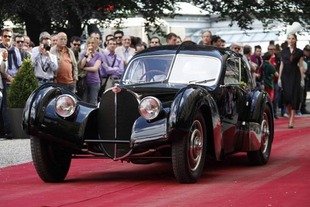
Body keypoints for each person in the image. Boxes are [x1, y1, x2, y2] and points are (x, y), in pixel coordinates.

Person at [278, 33, 304, 128]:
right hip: (285, 75)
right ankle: (290, 116)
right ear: (287, 40)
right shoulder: (283, 51)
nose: (291, 40)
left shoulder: (299, 52)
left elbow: (301, 65)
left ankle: (292, 119)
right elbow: (281, 65)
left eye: (293, 38)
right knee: (287, 97)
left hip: (295, 75)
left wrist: (302, 78)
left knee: (294, 96)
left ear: (296, 40)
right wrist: (279, 78)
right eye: (289, 38)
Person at [78, 37, 102, 105]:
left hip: (94, 81)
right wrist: (87, 55)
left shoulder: (98, 55)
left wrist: (84, 68)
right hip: (84, 81)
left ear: (96, 44)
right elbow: (81, 66)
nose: (91, 44)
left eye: (93, 43)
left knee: (93, 102)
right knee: (84, 101)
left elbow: (95, 69)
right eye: (89, 43)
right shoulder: (83, 54)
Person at [300, 45, 310, 114]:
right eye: (307, 51)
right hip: (302, 77)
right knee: (301, 94)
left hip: (307, 78)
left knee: (304, 94)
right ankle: (301, 108)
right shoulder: (302, 58)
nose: (308, 52)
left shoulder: (309, 58)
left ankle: (303, 108)